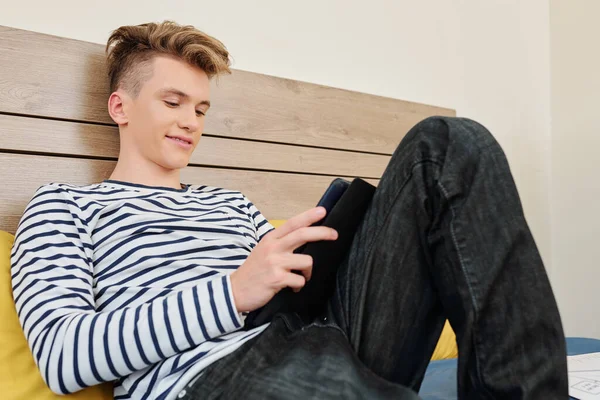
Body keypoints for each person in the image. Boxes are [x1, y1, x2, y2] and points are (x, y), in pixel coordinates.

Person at [10, 20, 567, 400]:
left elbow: (301, 297)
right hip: (214, 377)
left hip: (324, 336)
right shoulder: (64, 206)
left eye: (202, 108)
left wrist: (333, 252)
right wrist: (231, 293)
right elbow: (65, 357)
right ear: (120, 106)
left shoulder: (230, 204)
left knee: (448, 143)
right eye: (173, 102)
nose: (191, 122)